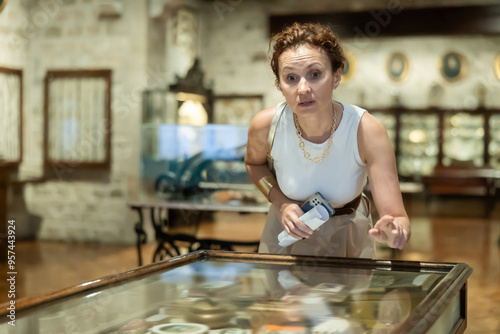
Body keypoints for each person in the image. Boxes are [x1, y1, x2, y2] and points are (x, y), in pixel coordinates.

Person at [244, 22, 410, 258]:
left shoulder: (365, 129)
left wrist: (396, 231)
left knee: (347, 296)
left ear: (336, 77)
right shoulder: (266, 125)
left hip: (347, 231)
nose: (303, 89)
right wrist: (283, 204)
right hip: (287, 229)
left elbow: (396, 217)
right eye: (291, 77)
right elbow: (254, 163)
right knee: (279, 295)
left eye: (314, 74)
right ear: (279, 86)